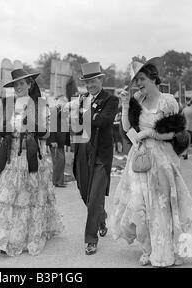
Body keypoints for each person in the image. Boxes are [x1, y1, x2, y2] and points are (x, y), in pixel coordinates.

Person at [111, 56, 192, 267]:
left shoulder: (168, 101)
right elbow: (127, 129)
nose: (139, 84)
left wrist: (149, 133)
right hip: (140, 160)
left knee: (164, 208)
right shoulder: (136, 100)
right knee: (140, 207)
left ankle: (172, 250)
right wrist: (125, 105)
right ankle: (147, 249)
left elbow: (175, 132)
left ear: (153, 78)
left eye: (142, 78)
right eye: (136, 80)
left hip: (162, 159)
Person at [0, 68, 64, 256]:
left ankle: (21, 237)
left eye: (21, 84)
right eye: (15, 84)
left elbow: (47, 133)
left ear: (30, 85)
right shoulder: (7, 104)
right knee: (6, 197)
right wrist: (7, 128)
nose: (18, 87)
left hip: (31, 157)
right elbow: (1, 132)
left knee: (27, 198)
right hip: (11, 158)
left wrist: (30, 125)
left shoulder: (39, 105)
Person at [70, 62, 119, 255]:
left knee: (95, 195)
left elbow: (103, 121)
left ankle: (91, 240)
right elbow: (75, 123)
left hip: (101, 153)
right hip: (83, 149)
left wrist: (84, 114)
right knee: (85, 193)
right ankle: (101, 217)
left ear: (101, 80)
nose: (90, 85)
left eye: (93, 81)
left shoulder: (111, 100)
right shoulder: (82, 100)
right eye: (87, 82)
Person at [46, 95, 70, 188]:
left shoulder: (62, 112)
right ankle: (56, 181)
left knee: (61, 161)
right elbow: (51, 126)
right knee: (58, 161)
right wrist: (52, 140)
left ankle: (59, 180)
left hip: (60, 141)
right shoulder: (55, 111)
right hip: (55, 141)